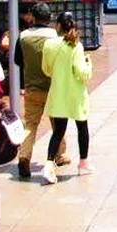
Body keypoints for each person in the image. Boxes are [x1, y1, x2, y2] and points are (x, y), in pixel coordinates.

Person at [14, 3, 69, 180]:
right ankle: (59, 155)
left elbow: (17, 60)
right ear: (49, 18)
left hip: (31, 87)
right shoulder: (55, 36)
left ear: (32, 17)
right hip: (53, 87)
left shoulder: (23, 36)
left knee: (30, 124)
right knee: (57, 123)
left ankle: (24, 156)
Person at [41, 12, 93, 183]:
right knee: (82, 127)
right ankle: (83, 163)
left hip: (58, 92)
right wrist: (88, 63)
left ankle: (49, 165)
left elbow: (46, 69)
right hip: (75, 94)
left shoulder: (49, 45)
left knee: (58, 132)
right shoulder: (75, 45)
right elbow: (82, 73)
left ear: (58, 26)